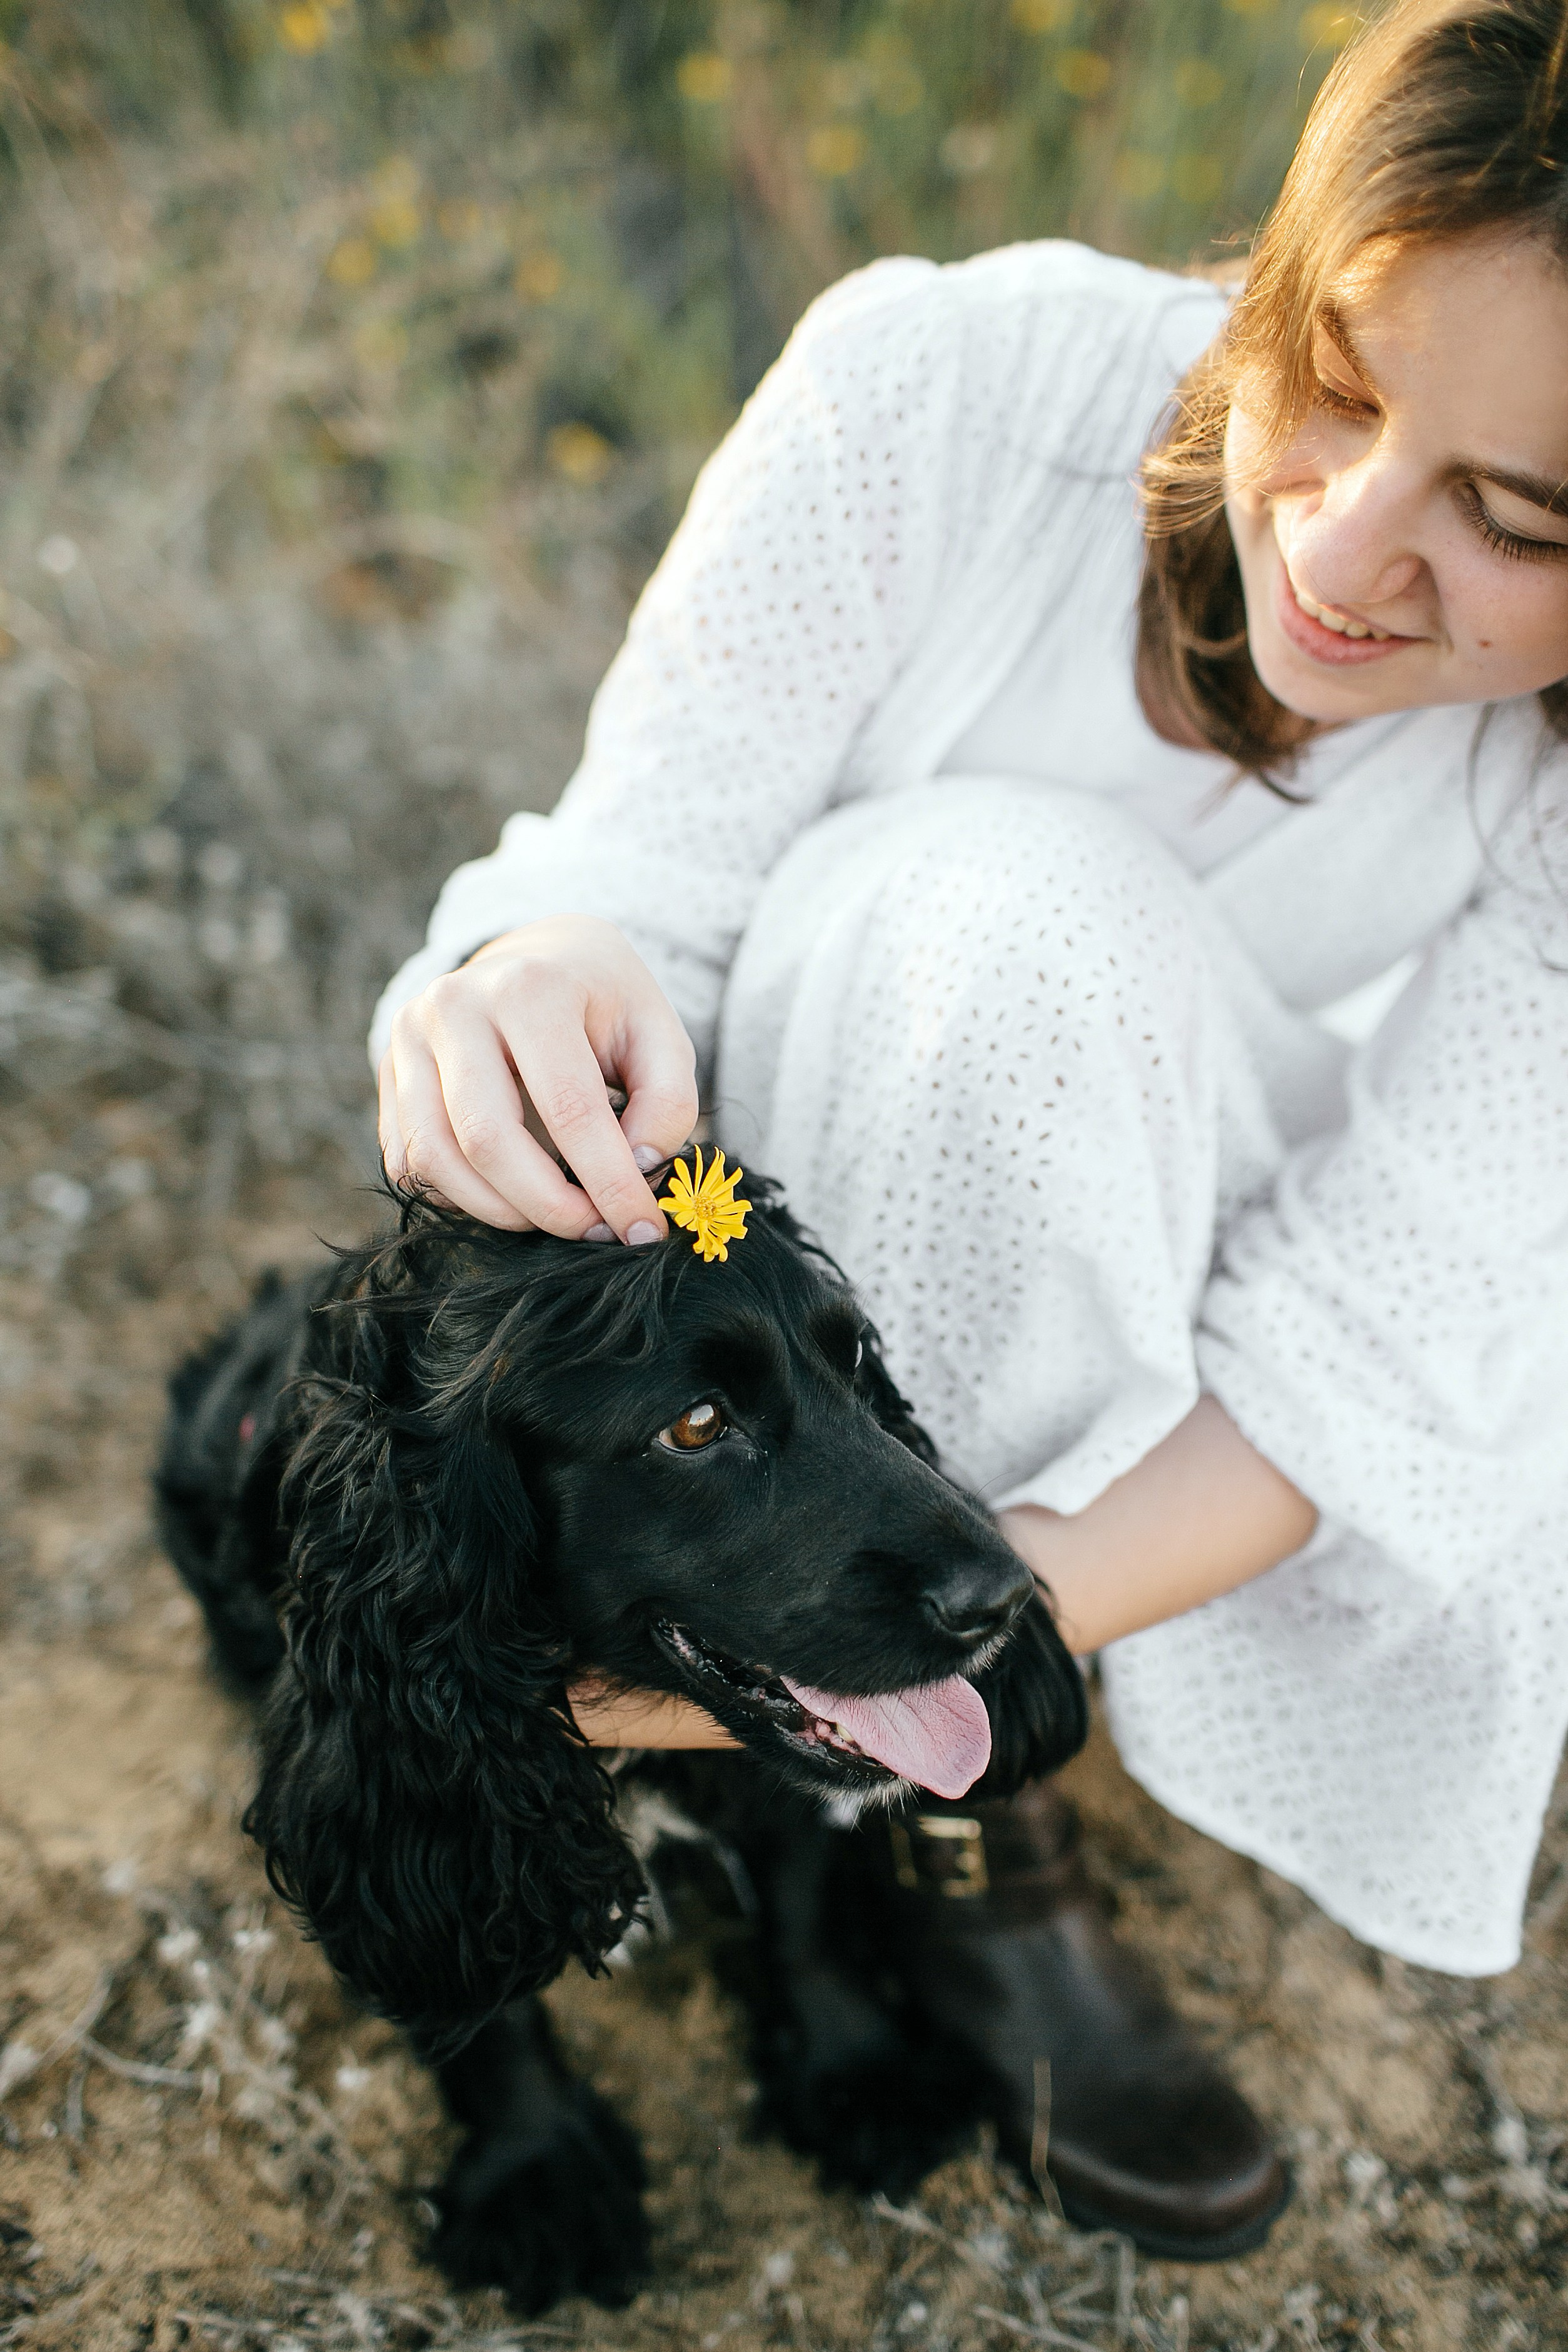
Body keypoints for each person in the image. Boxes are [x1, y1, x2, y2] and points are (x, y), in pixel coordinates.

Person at [370, 0, 1568, 2261]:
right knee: (980, 911)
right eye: (1326, 374)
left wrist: (925, 1664)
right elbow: (649, 873)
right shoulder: (940, 391)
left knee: (1031, 924)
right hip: (827, 1237)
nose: (1345, 535)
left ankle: (967, 1820)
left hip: (1206, 1407)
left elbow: (1364, 1359)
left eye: (1509, 521)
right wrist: (529, 976)